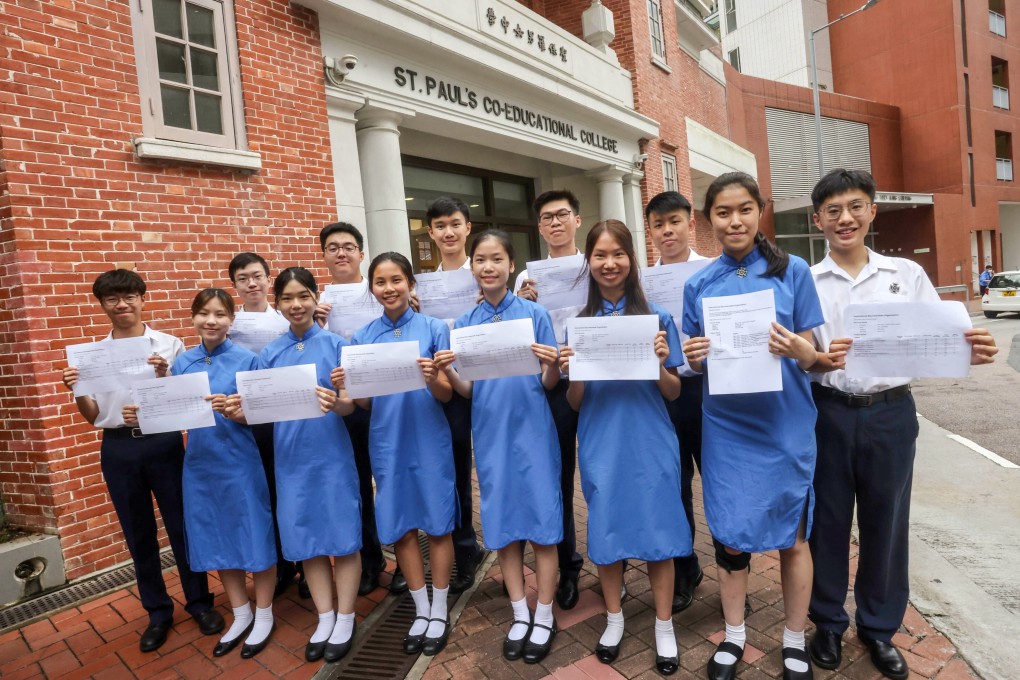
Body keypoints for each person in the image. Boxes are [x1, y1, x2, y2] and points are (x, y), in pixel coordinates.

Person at [805, 169, 999, 680]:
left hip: (891, 413)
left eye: (854, 206)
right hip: (826, 413)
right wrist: (818, 359)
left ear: (871, 211)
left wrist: (970, 352)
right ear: (817, 219)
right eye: (832, 210)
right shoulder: (805, 280)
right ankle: (826, 621)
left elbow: (940, 339)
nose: (844, 218)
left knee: (886, 523)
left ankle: (878, 627)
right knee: (826, 522)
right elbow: (796, 355)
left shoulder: (905, 276)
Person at [682, 172, 842, 680]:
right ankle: (734, 635)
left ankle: (794, 639)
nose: (735, 221)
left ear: (760, 211)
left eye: (744, 209)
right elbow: (695, 364)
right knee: (730, 536)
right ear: (709, 220)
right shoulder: (697, 284)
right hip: (728, 430)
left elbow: (817, 361)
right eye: (723, 212)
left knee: (792, 537)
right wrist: (695, 357)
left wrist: (804, 350)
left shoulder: (792, 271)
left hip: (785, 426)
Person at [61, 269, 223, 653]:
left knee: (182, 527)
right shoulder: (92, 356)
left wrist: (165, 376)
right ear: (102, 306)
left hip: (164, 443)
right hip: (118, 447)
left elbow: (186, 403)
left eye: (129, 296)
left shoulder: (169, 344)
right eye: (113, 299)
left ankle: (200, 602)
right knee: (139, 533)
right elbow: (92, 415)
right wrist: (76, 389)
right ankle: (157, 612)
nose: (122, 305)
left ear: (142, 298)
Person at [559, 220, 690, 677]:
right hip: (601, 439)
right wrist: (575, 372)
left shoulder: (658, 319)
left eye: (618, 254)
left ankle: (663, 623)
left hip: (650, 438)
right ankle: (614, 618)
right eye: (599, 255)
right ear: (589, 262)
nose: (609, 263)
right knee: (608, 531)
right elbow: (574, 402)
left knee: (659, 533)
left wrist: (658, 363)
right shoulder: (580, 325)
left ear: (632, 260)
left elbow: (673, 392)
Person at [123, 288, 277, 659]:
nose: (211, 321)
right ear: (193, 318)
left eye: (220, 314)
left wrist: (236, 412)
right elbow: (169, 415)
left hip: (240, 461)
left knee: (255, 534)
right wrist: (140, 413)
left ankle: (266, 613)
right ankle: (240, 613)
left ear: (231, 320)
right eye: (204, 313)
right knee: (218, 536)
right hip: (200, 466)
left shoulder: (249, 360)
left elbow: (264, 416)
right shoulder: (183, 364)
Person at [434, 230, 563, 665]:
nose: (488, 267)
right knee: (505, 528)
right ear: (472, 267)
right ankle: (519, 613)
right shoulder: (464, 325)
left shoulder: (535, 314)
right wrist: (449, 372)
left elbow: (549, 384)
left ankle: (544, 613)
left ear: (511, 265)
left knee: (543, 525)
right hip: (490, 435)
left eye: (496, 259)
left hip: (533, 431)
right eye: (480, 260)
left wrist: (552, 366)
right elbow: (469, 392)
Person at [226, 267, 361, 663]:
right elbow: (259, 411)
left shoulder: (337, 345)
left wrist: (335, 400)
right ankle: (325, 616)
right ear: (279, 303)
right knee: (306, 537)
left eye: (304, 295)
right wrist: (237, 412)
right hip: (290, 459)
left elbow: (351, 403)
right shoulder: (269, 353)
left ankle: (347, 616)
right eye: (287, 298)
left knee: (343, 535)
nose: (296, 304)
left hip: (332, 455)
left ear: (316, 297)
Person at [331, 252, 458, 657]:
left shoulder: (434, 328)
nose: (390, 288)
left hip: (429, 437)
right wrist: (349, 384)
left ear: (410, 284)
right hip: (387, 440)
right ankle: (420, 609)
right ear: (373, 289)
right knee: (401, 526)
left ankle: (440, 607)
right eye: (381, 282)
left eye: (397, 280)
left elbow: (447, 393)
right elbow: (365, 404)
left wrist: (432, 376)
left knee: (438, 525)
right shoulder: (363, 338)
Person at [513, 189, 586, 610]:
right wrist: (522, 308)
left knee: (600, 474)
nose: (555, 223)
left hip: (593, 381)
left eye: (562, 214)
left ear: (577, 219)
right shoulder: (526, 278)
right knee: (557, 477)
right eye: (547, 218)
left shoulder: (594, 265)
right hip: (551, 386)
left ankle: (618, 566)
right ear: (539, 227)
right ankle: (567, 567)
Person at [311, 223, 392, 596]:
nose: (340, 253)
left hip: (388, 399)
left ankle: (406, 554)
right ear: (324, 256)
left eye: (348, 247)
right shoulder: (317, 301)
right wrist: (316, 326)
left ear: (361, 252)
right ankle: (371, 560)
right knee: (357, 483)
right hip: (343, 405)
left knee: (392, 479)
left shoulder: (379, 288)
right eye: (332, 248)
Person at [645, 190, 711, 613]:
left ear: (690, 220)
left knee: (716, 476)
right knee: (673, 484)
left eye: (674, 221)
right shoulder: (642, 282)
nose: (667, 231)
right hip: (664, 392)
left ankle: (730, 561)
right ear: (650, 231)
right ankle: (686, 567)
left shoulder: (713, 271)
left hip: (707, 390)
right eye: (658, 225)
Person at [424, 198, 487, 594]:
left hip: (489, 381)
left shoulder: (484, 273)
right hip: (447, 388)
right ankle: (465, 550)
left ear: (468, 227)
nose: (448, 232)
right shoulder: (423, 285)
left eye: (455, 224)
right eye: (440, 226)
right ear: (430, 232)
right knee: (454, 470)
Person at [227, 252, 299, 598]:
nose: (251, 283)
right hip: (249, 423)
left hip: (288, 417)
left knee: (292, 489)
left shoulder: (288, 319)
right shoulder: (230, 325)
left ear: (268, 279)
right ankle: (283, 566)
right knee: (267, 492)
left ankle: (305, 558)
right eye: (243, 278)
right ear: (235, 285)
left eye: (257, 276)